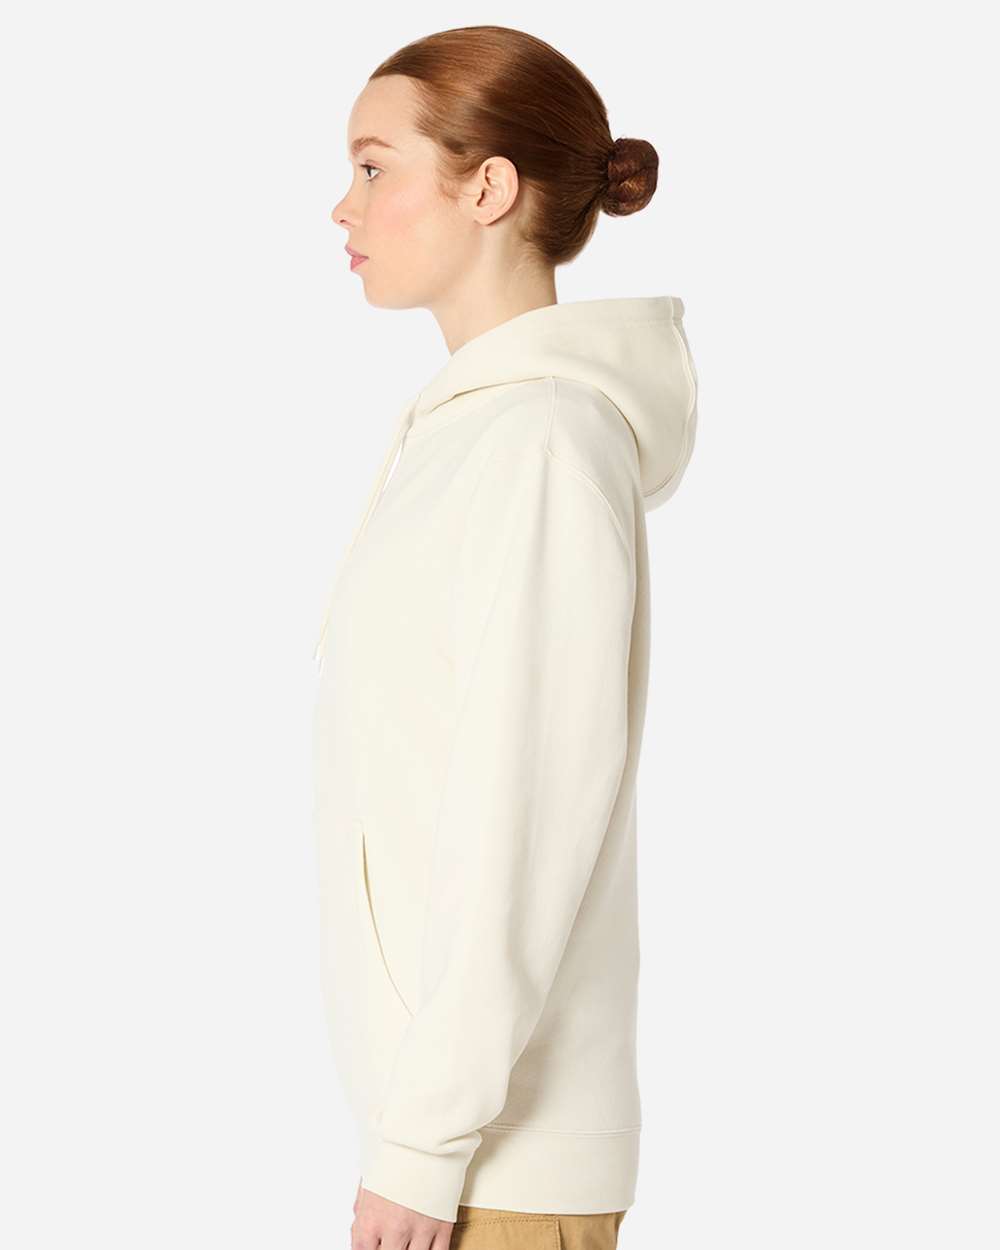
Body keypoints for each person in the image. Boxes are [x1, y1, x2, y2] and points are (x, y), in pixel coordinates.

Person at [311, 25, 699, 1250]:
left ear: (487, 187)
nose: (342, 204)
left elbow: (521, 817)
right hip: (456, 1148)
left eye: (374, 166)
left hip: (491, 1165)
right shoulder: (474, 434)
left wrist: (422, 1147)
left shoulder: (539, 442)